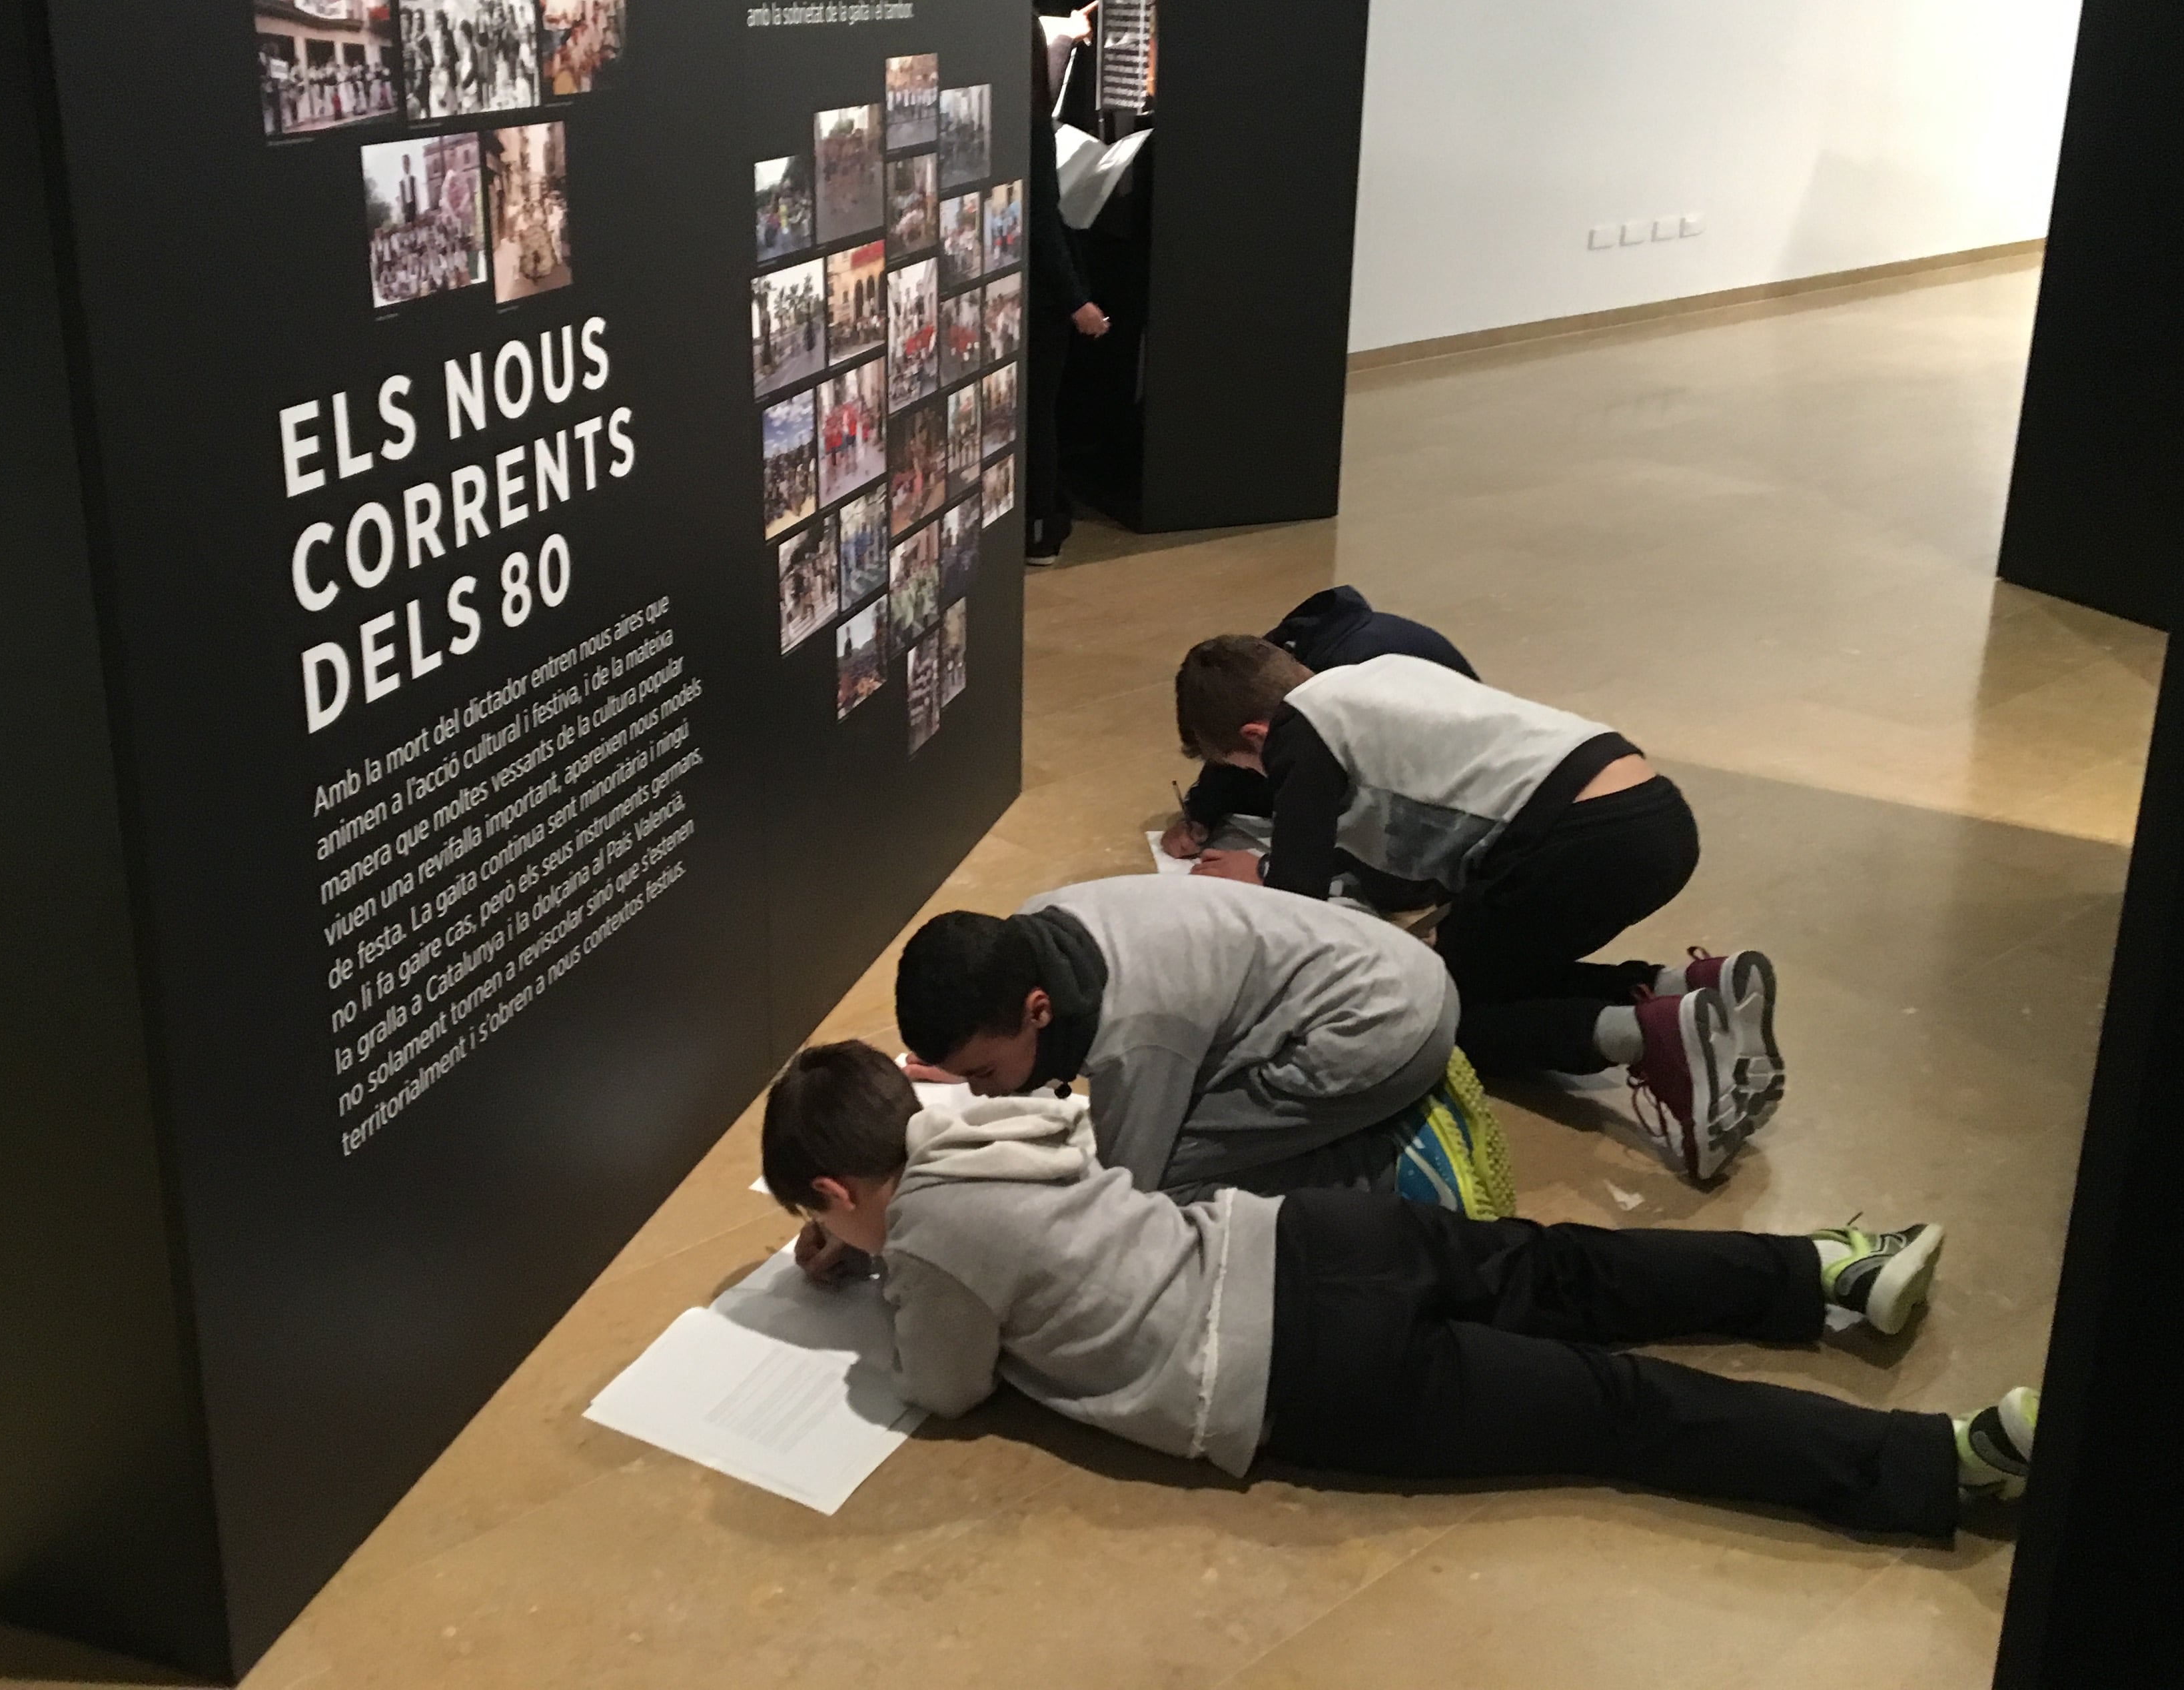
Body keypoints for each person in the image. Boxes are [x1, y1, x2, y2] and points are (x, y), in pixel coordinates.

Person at [764, 1041, 2041, 1537]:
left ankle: (1935, 1464)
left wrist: (878, 1264)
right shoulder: (984, 1126)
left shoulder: (921, 1236)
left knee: (1616, 1408)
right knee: (1570, 1267)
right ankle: (1826, 1268)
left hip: (1302, 1370)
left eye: (821, 1217)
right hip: (1318, 1238)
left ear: (831, 1190)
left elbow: (945, 1380)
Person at [1173, 634, 1782, 1181]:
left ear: (1256, 737)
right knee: (1484, 963)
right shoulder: (1378, 677)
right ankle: (1687, 988)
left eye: (1248, 770)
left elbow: (1298, 910)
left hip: (1575, 841)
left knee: (1432, 1010)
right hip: (1651, 817)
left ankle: (1646, 1037)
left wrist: (1260, 883)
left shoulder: (1298, 730)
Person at [893, 876, 1483, 1203]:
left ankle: (1384, 1171)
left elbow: (1127, 1193)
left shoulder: (1136, 1037)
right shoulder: (1037, 926)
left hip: (1390, 1031)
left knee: (1168, 1183)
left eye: (983, 1074)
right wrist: (981, 1063)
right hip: (1386, 963)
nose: (981, 1093)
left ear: (1037, 1011)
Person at [1161, 585, 1479, 862]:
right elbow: (1242, 745)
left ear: (1257, 733)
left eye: (1243, 766)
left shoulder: (1353, 702)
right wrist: (1202, 812)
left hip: (1466, 808)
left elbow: (1392, 850)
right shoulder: (1273, 667)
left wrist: (1264, 871)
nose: (1247, 773)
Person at [1025, 15, 1111, 566]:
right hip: (1041, 297)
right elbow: (1042, 222)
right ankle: (1042, 528)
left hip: (1022, 290)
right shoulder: (1031, 125)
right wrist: (1077, 300)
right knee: (1038, 411)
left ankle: (1041, 520)